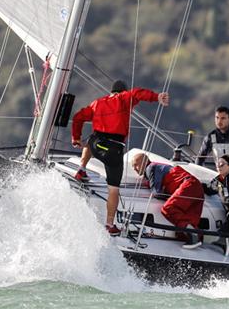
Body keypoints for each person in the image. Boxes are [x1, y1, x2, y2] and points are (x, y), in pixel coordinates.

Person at [71, 80, 169, 235]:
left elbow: (78, 117)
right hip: (113, 152)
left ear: (111, 91)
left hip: (97, 146)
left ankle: (81, 169)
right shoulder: (123, 98)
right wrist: (156, 97)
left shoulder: (97, 103)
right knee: (113, 190)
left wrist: (76, 138)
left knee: (91, 138)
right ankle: (109, 225)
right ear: (122, 91)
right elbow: (137, 92)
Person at [131, 152, 204, 248]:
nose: (134, 168)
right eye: (133, 166)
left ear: (144, 162)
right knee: (187, 216)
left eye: (136, 164)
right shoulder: (157, 167)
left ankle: (193, 235)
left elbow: (156, 192)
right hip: (196, 186)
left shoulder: (150, 168)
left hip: (188, 185)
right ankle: (196, 238)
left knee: (168, 208)